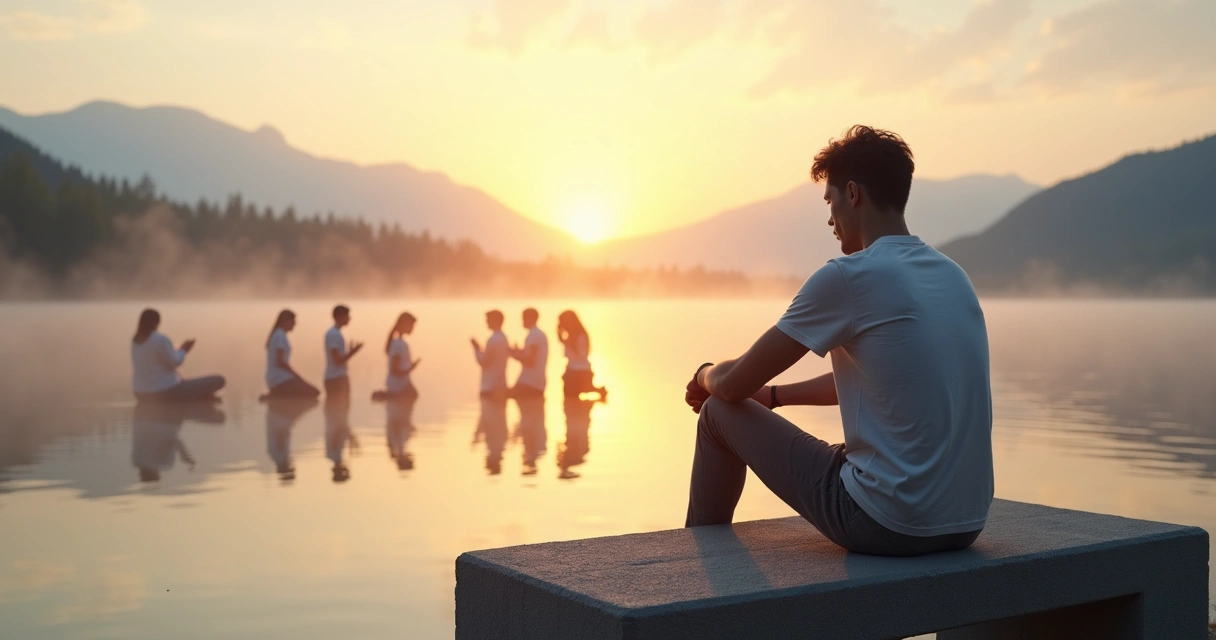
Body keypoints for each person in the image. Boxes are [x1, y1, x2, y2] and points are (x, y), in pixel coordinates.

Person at [684, 125, 993, 557]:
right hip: (965, 522)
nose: (830, 219)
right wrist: (773, 396)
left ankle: (696, 568)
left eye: (829, 202)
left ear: (852, 194)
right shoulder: (952, 276)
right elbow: (886, 379)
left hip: (888, 523)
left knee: (718, 411)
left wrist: (704, 373)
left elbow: (732, 384)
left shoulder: (850, 277)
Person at [130, 308, 225, 403]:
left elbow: (160, 364)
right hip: (164, 393)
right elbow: (175, 362)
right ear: (157, 322)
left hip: (140, 393)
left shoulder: (135, 341)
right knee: (219, 380)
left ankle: (197, 397)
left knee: (186, 383)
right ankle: (196, 399)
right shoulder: (160, 339)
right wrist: (184, 349)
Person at [262, 309, 320, 400]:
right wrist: (297, 376)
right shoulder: (280, 335)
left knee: (312, 392)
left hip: (277, 379)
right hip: (279, 379)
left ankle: (278, 396)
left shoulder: (278, 334)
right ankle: (275, 396)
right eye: (293, 321)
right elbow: (279, 361)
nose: (295, 324)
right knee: (314, 393)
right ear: (285, 321)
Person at [557, 310, 606, 401]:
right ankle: (598, 391)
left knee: (572, 399)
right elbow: (568, 356)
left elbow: (580, 356)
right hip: (572, 370)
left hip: (580, 371)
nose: (562, 325)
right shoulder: (570, 336)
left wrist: (566, 343)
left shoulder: (581, 336)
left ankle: (599, 391)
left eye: (563, 322)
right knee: (570, 400)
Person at [372, 312, 420, 402]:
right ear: (405, 324)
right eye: (412, 325)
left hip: (400, 385)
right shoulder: (398, 344)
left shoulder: (399, 342)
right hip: (398, 386)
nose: (413, 328)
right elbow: (394, 369)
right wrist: (411, 368)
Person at [324, 305, 363, 397]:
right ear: (339, 316)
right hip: (336, 379)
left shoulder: (335, 333)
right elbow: (337, 360)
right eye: (347, 315)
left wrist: (351, 351)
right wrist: (353, 352)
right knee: (339, 409)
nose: (349, 318)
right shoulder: (334, 334)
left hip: (337, 378)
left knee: (340, 409)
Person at [509, 308, 548, 398]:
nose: (522, 321)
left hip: (530, 383)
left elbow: (530, 360)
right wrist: (518, 351)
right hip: (532, 382)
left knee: (498, 396)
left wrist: (512, 353)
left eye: (523, 318)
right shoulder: (537, 334)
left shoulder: (534, 335)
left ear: (530, 319)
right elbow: (531, 354)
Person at [471, 310, 509, 397]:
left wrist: (476, 349)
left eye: (488, 319)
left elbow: (483, 362)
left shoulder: (493, 340)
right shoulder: (504, 338)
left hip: (489, 388)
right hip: (501, 386)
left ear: (494, 320)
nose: (486, 322)